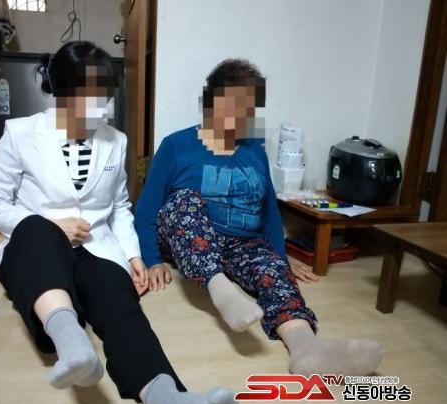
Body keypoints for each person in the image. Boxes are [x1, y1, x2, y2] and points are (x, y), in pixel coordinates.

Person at [0, 41, 239, 404]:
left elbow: (118, 207)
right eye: (88, 97)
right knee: (37, 228)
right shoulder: (20, 134)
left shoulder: (115, 140)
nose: (98, 108)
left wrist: (134, 255)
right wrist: (53, 226)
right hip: (35, 251)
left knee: (122, 309)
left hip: (96, 246)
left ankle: (169, 400)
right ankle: (72, 345)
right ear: (62, 92)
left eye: (103, 96)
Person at [134, 59, 382, 377]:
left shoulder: (254, 150)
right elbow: (147, 210)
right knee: (184, 201)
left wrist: (280, 259)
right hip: (192, 236)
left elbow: (269, 214)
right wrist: (152, 259)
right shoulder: (176, 146)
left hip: (244, 243)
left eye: (248, 109)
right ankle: (221, 289)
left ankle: (305, 348)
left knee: (275, 274)